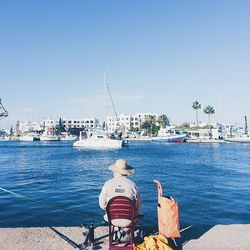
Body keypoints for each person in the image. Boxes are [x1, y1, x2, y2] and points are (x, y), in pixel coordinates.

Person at [99, 159, 142, 227]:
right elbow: (137, 206)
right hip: (129, 221)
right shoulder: (133, 185)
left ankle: (116, 229)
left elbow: (102, 205)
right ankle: (127, 230)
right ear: (127, 172)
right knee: (139, 212)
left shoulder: (107, 184)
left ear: (114, 171)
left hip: (111, 219)